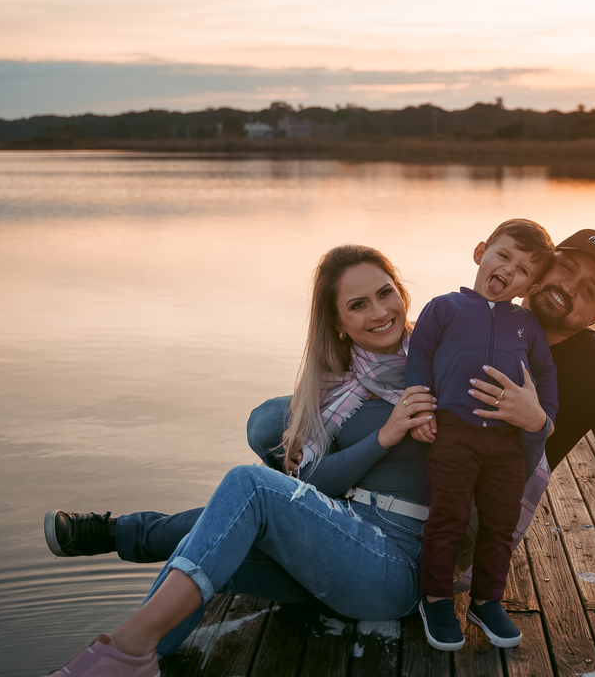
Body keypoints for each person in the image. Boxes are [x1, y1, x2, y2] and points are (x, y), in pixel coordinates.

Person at [46, 228, 595, 644]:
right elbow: (401, 351)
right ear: (539, 265)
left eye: (591, 288)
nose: (569, 286)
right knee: (270, 425)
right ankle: (302, 503)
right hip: (408, 463)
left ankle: (172, 532)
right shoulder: (482, 313)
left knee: (261, 495)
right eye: (563, 267)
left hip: (457, 512)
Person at [42, 245, 437, 677]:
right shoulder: (336, 389)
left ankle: (127, 617)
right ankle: (137, 661)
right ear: (338, 324)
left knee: (252, 486)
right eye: (358, 305)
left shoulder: (443, 361)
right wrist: (383, 437)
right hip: (342, 537)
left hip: (396, 567)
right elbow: (318, 482)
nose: (379, 312)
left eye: (385, 293)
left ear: (402, 292)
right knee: (212, 547)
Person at [408, 219, 558, 651]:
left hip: (507, 443)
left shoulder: (527, 324)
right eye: (504, 255)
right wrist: (421, 409)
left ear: (530, 286)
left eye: (524, 269)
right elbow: (419, 356)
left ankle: (487, 600)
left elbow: (546, 372)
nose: (509, 270)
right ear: (481, 253)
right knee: (448, 516)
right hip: (454, 434)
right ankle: (436, 599)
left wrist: (544, 416)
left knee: (500, 523)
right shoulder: (444, 308)